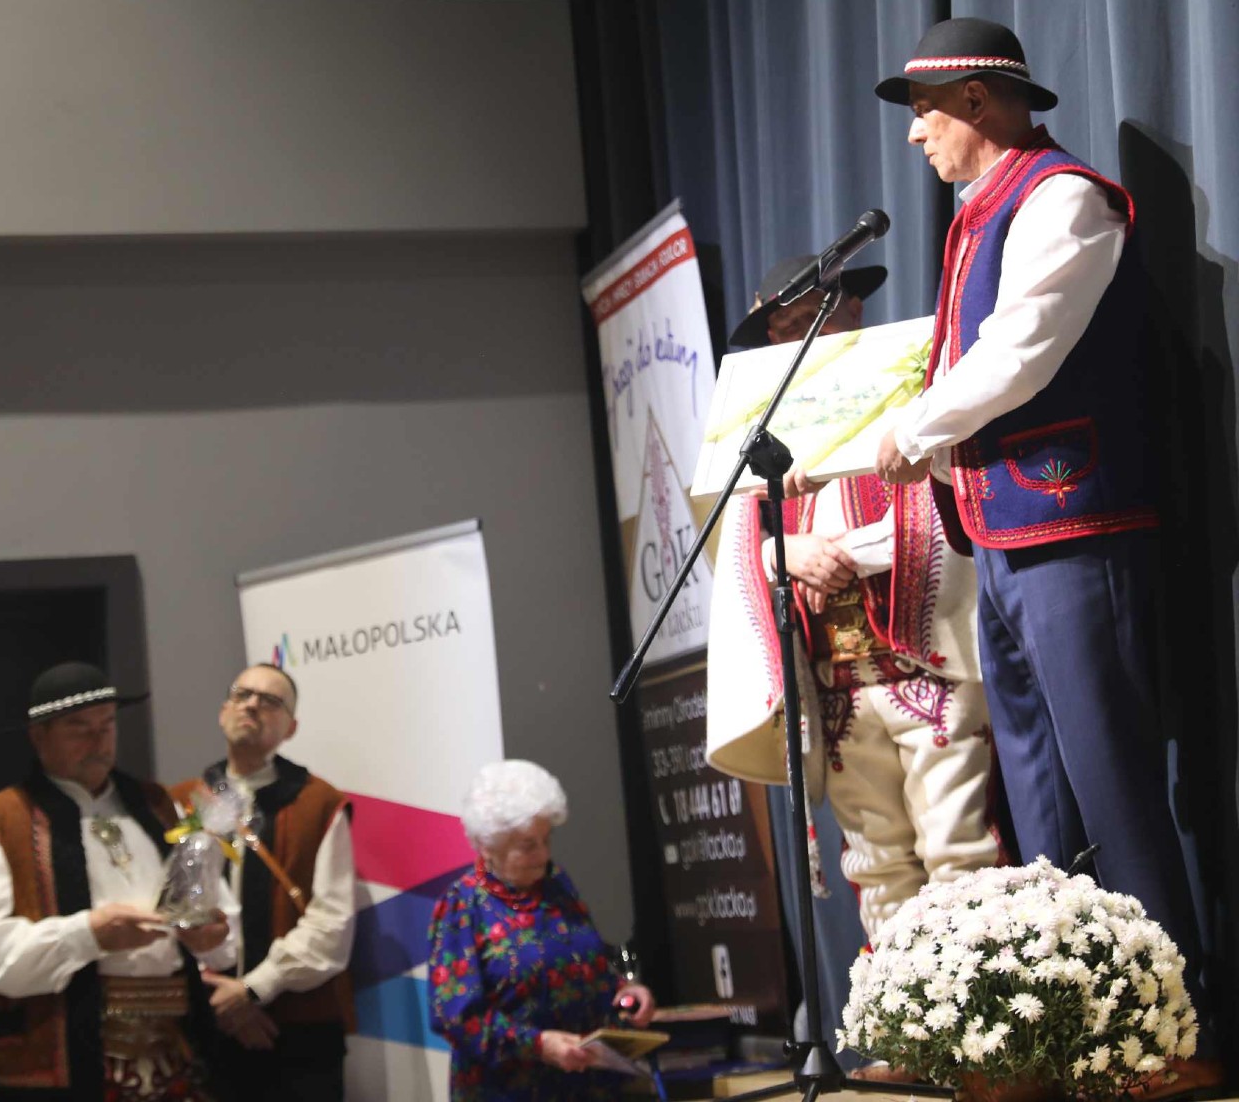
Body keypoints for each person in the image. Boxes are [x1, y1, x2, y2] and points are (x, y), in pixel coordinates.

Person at [871, 16, 1216, 1091]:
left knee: (1113, 784)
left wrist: (916, 431)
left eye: (925, 110)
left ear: (977, 101)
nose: (916, 134)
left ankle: (1176, 1034)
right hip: (1007, 540)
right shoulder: (981, 213)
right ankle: (1057, 1038)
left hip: (1078, 531)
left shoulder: (1061, 199)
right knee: (1038, 800)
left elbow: (1019, 350)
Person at [705, 260, 1002, 942]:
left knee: (959, 854)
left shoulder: (914, 394)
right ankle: (901, 1005)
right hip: (837, 683)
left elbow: (944, 510)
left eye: (813, 317)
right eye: (785, 327)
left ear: (853, 313)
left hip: (926, 667)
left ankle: (974, 998)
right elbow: (746, 547)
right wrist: (786, 554)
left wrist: (835, 553)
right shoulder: (764, 432)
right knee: (878, 868)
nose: (800, 337)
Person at [0, 662, 233, 1102]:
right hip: (65, 1056)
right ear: (39, 736)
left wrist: (211, 935)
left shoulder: (157, 805)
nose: (98, 741)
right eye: (79, 728)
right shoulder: (3, 819)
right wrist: (88, 935)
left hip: (173, 1048)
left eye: (107, 725)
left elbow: (216, 914)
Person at [171, 663, 355, 1102]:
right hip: (208, 1025)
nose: (252, 705)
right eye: (242, 695)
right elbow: (175, 913)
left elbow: (332, 921)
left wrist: (254, 990)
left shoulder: (320, 803)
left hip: (299, 1033)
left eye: (270, 701)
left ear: (291, 728)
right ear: (223, 711)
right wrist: (222, 996)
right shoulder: (183, 801)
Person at [427, 760, 655, 1101]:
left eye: (547, 839)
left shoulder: (556, 884)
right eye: (528, 845)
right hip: (508, 1092)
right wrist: (538, 1045)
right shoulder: (463, 906)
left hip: (586, 1086)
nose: (544, 854)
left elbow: (585, 963)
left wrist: (625, 991)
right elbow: (455, 1017)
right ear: (488, 845)